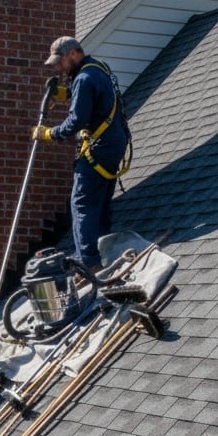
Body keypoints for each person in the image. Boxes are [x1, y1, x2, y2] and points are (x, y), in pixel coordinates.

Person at [32, 36, 130, 271]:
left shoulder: (84, 78)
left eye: (60, 62)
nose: (58, 67)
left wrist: (49, 133)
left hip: (99, 147)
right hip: (114, 144)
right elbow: (95, 98)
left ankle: (87, 261)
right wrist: (66, 94)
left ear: (74, 54)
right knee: (100, 202)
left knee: (81, 203)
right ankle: (104, 251)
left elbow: (77, 120)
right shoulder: (98, 69)